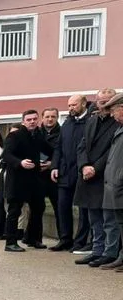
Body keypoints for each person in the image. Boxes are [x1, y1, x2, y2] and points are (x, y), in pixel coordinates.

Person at [76, 89, 120, 267]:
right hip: (88, 176)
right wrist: (84, 165)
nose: (103, 104)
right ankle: (97, 250)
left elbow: (112, 150)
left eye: (108, 101)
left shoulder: (117, 122)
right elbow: (82, 146)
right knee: (94, 217)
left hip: (105, 175)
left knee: (109, 218)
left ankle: (110, 252)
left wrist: (95, 168)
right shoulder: (92, 120)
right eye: (101, 101)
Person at [1, 109, 51, 252]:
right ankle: (10, 242)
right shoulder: (14, 135)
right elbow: (6, 155)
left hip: (35, 179)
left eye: (35, 119)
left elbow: (51, 150)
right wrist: (20, 162)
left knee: (38, 208)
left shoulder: (38, 136)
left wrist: (51, 162)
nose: (32, 122)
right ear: (23, 121)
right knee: (14, 211)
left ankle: (33, 238)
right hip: (17, 179)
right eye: (29, 120)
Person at [52, 94, 95, 251]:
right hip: (64, 172)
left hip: (81, 172)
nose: (70, 108)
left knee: (83, 209)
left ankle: (80, 241)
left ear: (83, 104)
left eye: (74, 105)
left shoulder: (90, 121)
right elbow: (58, 147)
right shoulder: (66, 124)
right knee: (62, 206)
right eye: (69, 105)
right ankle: (65, 239)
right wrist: (54, 166)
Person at [100, 92, 123, 270]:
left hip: (120, 184)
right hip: (115, 185)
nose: (113, 115)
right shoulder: (119, 128)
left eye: (114, 111)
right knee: (119, 223)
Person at [38, 107, 62, 234]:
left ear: (57, 118)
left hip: (56, 176)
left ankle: (63, 238)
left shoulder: (63, 132)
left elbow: (66, 153)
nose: (50, 119)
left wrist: (52, 164)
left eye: (53, 116)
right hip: (38, 175)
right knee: (36, 208)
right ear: (43, 118)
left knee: (59, 208)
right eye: (47, 117)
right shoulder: (35, 132)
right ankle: (34, 238)